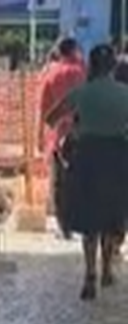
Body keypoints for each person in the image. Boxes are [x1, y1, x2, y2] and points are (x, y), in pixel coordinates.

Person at [45, 44, 128, 300]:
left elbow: (51, 118)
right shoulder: (125, 93)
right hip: (118, 156)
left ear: (91, 66)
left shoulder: (82, 92)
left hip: (88, 156)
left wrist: (76, 124)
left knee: (90, 217)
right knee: (113, 215)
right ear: (113, 66)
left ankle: (90, 273)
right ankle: (107, 269)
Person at [39, 37, 87, 240]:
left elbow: (44, 107)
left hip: (58, 135)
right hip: (82, 133)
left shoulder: (51, 73)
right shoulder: (82, 71)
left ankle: (64, 226)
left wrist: (40, 137)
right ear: (74, 51)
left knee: (59, 182)